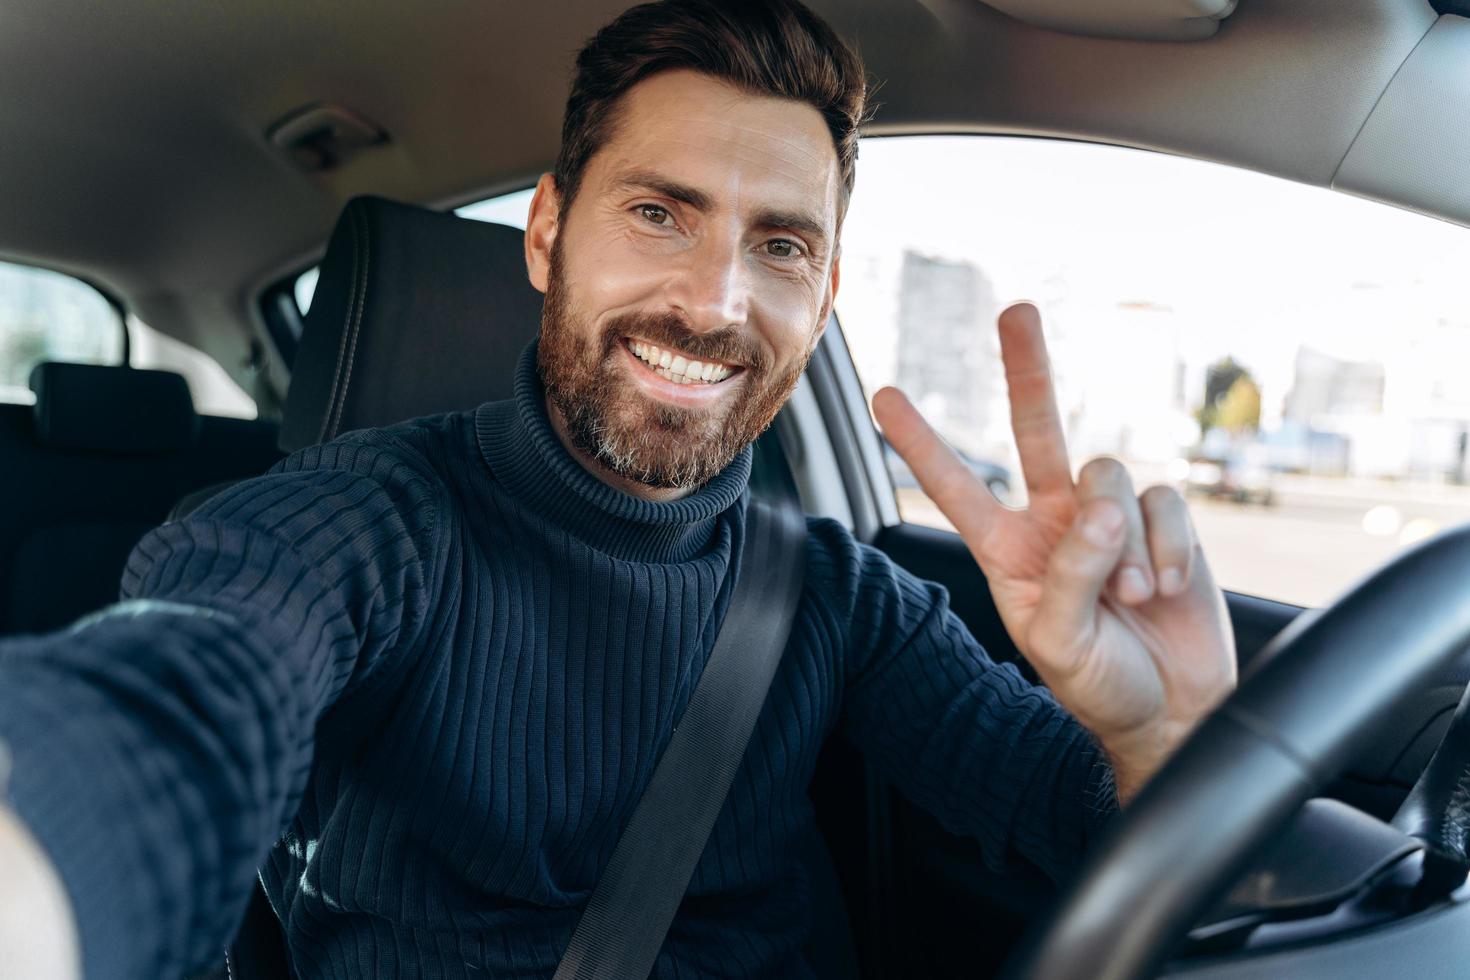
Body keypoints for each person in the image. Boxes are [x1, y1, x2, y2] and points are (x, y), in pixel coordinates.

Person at [0, 1, 1236, 977]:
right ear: (546, 235)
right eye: (659, 213)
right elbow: (182, 699)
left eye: (781, 245)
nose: (714, 301)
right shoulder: (358, 526)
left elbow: (1071, 814)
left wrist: (1154, 735)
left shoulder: (840, 594)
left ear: (824, 294)